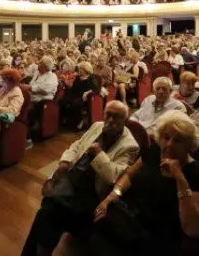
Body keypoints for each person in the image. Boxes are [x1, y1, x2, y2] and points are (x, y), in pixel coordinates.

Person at [22, 101, 139, 256]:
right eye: (108, 115)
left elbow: (113, 176)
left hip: (93, 190)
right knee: (50, 209)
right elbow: (77, 145)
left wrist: (98, 154)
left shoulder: (130, 146)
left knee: (50, 208)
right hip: (74, 176)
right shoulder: (97, 126)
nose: (110, 120)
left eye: (116, 117)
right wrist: (64, 162)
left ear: (125, 120)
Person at [91, 111, 199, 255]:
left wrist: (180, 178)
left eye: (178, 140)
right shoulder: (155, 150)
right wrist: (112, 196)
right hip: (127, 218)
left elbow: (195, 230)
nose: (170, 145)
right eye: (166, 138)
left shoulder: (197, 173)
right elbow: (129, 175)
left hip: (157, 235)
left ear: (189, 146)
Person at [59, 61, 100, 129]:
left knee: (76, 103)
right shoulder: (78, 77)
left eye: (81, 69)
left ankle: (80, 120)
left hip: (85, 96)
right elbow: (73, 88)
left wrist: (87, 92)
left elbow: (95, 89)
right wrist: (68, 85)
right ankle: (65, 119)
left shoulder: (91, 78)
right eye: (79, 69)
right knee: (62, 101)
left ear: (86, 70)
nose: (79, 70)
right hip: (75, 94)